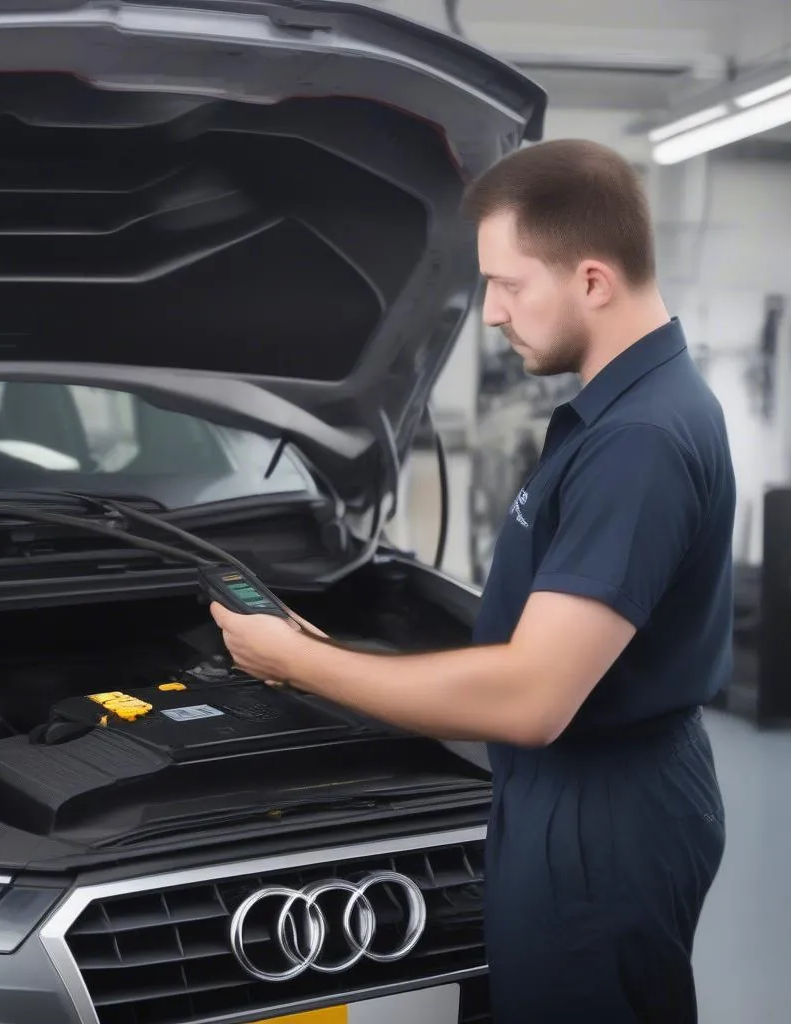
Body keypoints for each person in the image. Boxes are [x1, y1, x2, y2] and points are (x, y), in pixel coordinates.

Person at [209, 138, 733, 1024]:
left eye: (510, 284)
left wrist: (300, 667)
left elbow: (533, 696)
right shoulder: (626, 410)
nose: (491, 314)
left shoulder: (637, 442)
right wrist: (338, 653)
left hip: (600, 816)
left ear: (594, 281)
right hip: (582, 789)